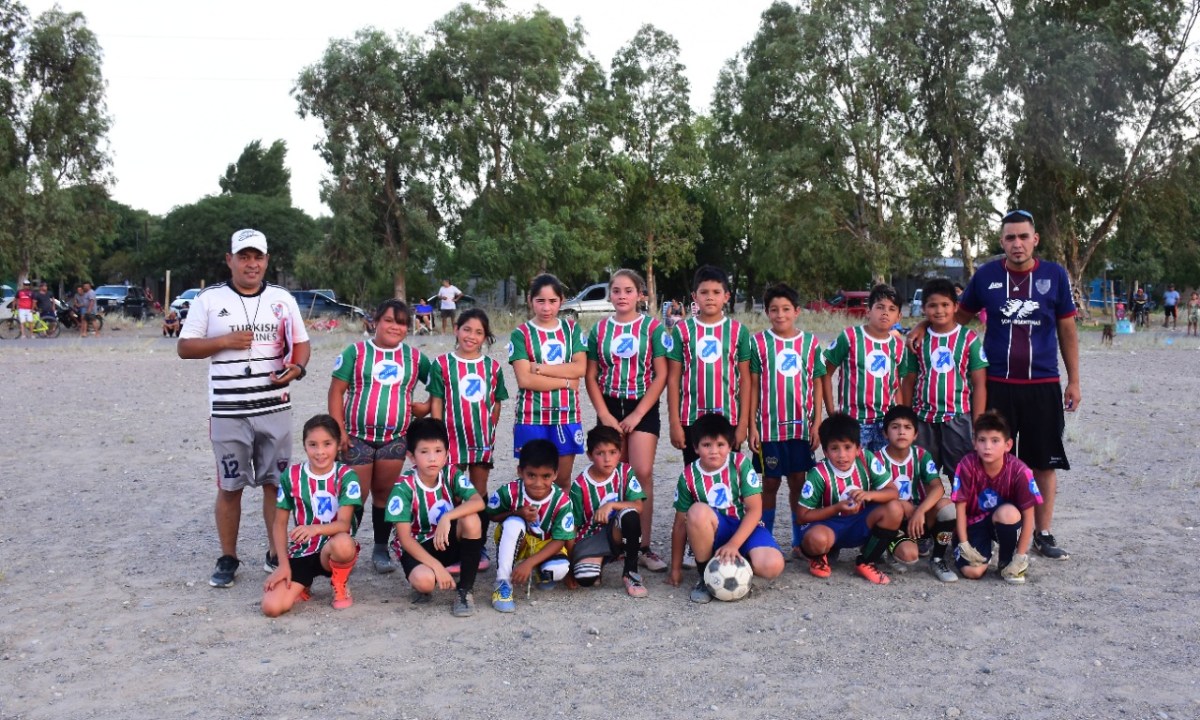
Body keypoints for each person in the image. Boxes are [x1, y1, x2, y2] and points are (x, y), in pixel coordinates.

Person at [913, 209, 1079, 560]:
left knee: (1042, 462)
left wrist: (1074, 380)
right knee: (994, 459)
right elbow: (955, 316)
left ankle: (1042, 532)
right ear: (1001, 241)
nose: (1017, 243)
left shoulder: (1054, 275)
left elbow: (1067, 329)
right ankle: (992, 525)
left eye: (1023, 237)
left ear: (1035, 239)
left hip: (1042, 383)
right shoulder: (986, 276)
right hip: (997, 384)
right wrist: (922, 325)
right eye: (1010, 237)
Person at [178, 229, 311, 589]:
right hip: (228, 410)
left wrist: (298, 368)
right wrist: (223, 341)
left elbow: (301, 344)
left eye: (258, 257)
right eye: (244, 257)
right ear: (230, 260)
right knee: (230, 486)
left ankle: (275, 552)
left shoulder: (282, 298)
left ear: (267, 261)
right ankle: (228, 557)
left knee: (275, 485)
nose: (251, 264)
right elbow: (185, 347)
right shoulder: (209, 298)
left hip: (275, 407)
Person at [328, 299, 432, 575]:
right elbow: (336, 391)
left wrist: (425, 407)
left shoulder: (415, 358)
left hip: (394, 439)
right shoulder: (356, 352)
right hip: (356, 438)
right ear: (375, 321)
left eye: (401, 323)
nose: (395, 327)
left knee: (384, 495)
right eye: (389, 320)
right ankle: (343, 548)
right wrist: (339, 431)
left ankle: (380, 547)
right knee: (354, 496)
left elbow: (440, 383)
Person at [584, 269, 670, 572]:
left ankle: (643, 546)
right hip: (609, 405)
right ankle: (615, 542)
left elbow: (662, 374)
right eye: (616, 291)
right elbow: (591, 376)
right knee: (612, 472)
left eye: (628, 290)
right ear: (610, 295)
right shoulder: (599, 330)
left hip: (641, 405)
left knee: (641, 472)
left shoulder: (653, 327)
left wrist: (638, 413)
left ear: (640, 295)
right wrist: (605, 415)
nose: (622, 296)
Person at [666, 413, 784, 603]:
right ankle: (705, 575)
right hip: (714, 530)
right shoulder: (689, 475)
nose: (714, 451)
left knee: (773, 566)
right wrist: (675, 568)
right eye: (707, 445)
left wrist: (734, 544)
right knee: (697, 512)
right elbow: (680, 524)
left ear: (730, 446)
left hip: (745, 527)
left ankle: (737, 565)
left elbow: (755, 510)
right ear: (696, 447)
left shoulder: (740, 464)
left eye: (720, 445)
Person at [746, 282, 825, 557]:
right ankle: (764, 539)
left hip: (801, 427)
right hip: (769, 429)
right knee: (769, 483)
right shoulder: (758, 343)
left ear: (797, 311)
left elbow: (817, 383)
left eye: (786, 309)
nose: (780, 315)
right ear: (767, 312)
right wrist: (752, 426)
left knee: (798, 481)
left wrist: (817, 423)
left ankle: (798, 540)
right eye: (774, 310)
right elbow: (753, 386)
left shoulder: (810, 343)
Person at [429, 308, 508, 571]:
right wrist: (439, 436)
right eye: (466, 329)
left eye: (478, 332)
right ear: (456, 329)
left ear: (485, 337)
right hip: (450, 439)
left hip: (480, 438)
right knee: (452, 491)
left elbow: (496, 403)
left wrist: (489, 429)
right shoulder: (442, 364)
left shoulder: (492, 368)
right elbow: (436, 401)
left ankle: (478, 545)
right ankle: (452, 545)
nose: (471, 336)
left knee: (478, 490)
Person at [261, 415, 361, 616]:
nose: (320, 451)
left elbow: (344, 524)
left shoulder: (346, 476)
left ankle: (340, 582)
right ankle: (303, 585)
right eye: (313, 444)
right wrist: (282, 565)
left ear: (337, 445)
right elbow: (279, 524)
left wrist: (314, 529)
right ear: (305, 446)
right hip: (303, 550)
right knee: (271, 607)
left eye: (327, 444)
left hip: (332, 548)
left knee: (343, 544)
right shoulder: (291, 476)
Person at [385, 417, 486, 617]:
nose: (432, 458)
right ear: (412, 457)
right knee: (425, 582)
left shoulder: (450, 473)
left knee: (471, 519)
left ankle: (465, 590)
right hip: (418, 545)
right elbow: (404, 539)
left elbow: (478, 501)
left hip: (445, 539)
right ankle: (428, 574)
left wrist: (447, 517)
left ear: (447, 454)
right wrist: (437, 567)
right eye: (424, 452)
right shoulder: (403, 487)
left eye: (438, 451)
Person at [795, 413, 904, 585]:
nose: (842, 455)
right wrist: (837, 508)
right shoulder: (818, 474)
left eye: (847, 447)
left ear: (858, 448)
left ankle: (866, 561)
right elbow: (802, 516)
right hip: (829, 525)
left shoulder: (866, 459)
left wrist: (869, 495)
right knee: (816, 540)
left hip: (860, 521)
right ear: (825, 451)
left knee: (895, 508)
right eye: (834, 448)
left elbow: (893, 492)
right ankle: (818, 555)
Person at [666, 264, 753, 466]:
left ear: (726, 296)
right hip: (692, 418)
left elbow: (745, 380)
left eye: (716, 292)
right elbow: (673, 379)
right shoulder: (682, 330)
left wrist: (743, 424)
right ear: (695, 297)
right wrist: (674, 423)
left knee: (728, 476)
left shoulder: (738, 331)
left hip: (728, 417)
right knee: (696, 474)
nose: (710, 297)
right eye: (704, 292)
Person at [901, 278, 987, 477]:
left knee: (961, 476)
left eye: (945, 305)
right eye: (933, 305)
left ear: (955, 306)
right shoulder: (917, 340)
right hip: (923, 419)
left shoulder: (969, 339)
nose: (939, 310)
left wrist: (978, 424)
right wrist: (906, 417)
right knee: (923, 476)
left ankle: (960, 501)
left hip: (957, 418)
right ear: (924, 308)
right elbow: (909, 381)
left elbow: (980, 384)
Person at [507, 273, 587, 488]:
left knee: (562, 479)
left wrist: (540, 368)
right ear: (530, 300)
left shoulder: (571, 330)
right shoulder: (521, 334)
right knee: (533, 482)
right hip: (531, 416)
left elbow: (580, 368)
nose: (546, 307)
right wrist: (566, 382)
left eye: (552, 301)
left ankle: (562, 512)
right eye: (540, 301)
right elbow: (525, 380)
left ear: (562, 300)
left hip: (566, 414)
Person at [950, 410, 1042, 584]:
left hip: (1003, 520)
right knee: (973, 572)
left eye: (995, 441)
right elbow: (959, 508)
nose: (987, 447)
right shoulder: (967, 465)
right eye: (982, 440)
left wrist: (1021, 555)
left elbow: (1029, 516)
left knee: (1008, 513)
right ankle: (972, 547)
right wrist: (964, 543)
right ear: (974, 443)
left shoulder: (1020, 471)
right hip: (973, 523)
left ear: (1008, 445)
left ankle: (1006, 560)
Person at [485, 439, 575, 613]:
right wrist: (516, 513)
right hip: (519, 542)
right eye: (531, 475)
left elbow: (560, 540)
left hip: (544, 545)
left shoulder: (562, 502)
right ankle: (503, 583)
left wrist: (530, 563)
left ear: (555, 474)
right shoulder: (509, 492)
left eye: (546, 476)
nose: (538, 483)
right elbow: (491, 515)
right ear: (520, 471)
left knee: (560, 569)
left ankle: (539, 569)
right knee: (514, 523)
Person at [870, 404, 957, 582]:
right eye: (895, 427)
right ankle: (889, 545)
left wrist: (920, 511)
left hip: (918, 515)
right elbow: (873, 496)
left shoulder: (921, 455)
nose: (901, 432)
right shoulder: (877, 459)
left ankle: (937, 559)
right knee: (909, 556)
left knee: (948, 508)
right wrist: (902, 504)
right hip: (894, 519)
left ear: (915, 434)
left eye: (907, 427)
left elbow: (938, 487)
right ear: (885, 433)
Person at [821, 284, 912, 453]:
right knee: (852, 466)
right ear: (868, 311)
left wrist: (900, 419)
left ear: (898, 317)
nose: (885, 313)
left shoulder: (898, 346)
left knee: (883, 467)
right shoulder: (850, 337)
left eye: (892, 309)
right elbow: (825, 373)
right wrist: (832, 413)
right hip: (854, 421)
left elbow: (897, 385)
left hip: (885, 424)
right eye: (880, 307)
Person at [567, 425, 648, 597]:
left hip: (616, 532)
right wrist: (570, 565)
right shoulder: (579, 486)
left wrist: (611, 505)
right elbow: (573, 527)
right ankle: (601, 560)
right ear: (590, 455)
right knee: (585, 579)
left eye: (612, 452)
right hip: (591, 536)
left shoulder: (625, 472)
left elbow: (639, 506)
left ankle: (630, 573)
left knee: (630, 515)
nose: (607, 459)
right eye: (600, 453)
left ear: (620, 452)